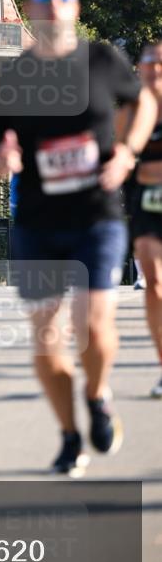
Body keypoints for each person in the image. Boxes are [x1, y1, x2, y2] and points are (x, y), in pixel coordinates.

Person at [0, 0, 157, 476]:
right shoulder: (14, 77)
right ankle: (69, 434)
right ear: (31, 8)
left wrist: (126, 152)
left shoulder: (101, 60)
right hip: (37, 221)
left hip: (96, 217)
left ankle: (98, 396)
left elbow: (142, 101)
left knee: (93, 327)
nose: (54, 3)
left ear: (75, 6)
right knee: (48, 341)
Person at [128, 41, 162, 397]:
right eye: (148, 63)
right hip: (147, 202)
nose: (153, 69)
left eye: (160, 63)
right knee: (153, 281)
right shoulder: (134, 110)